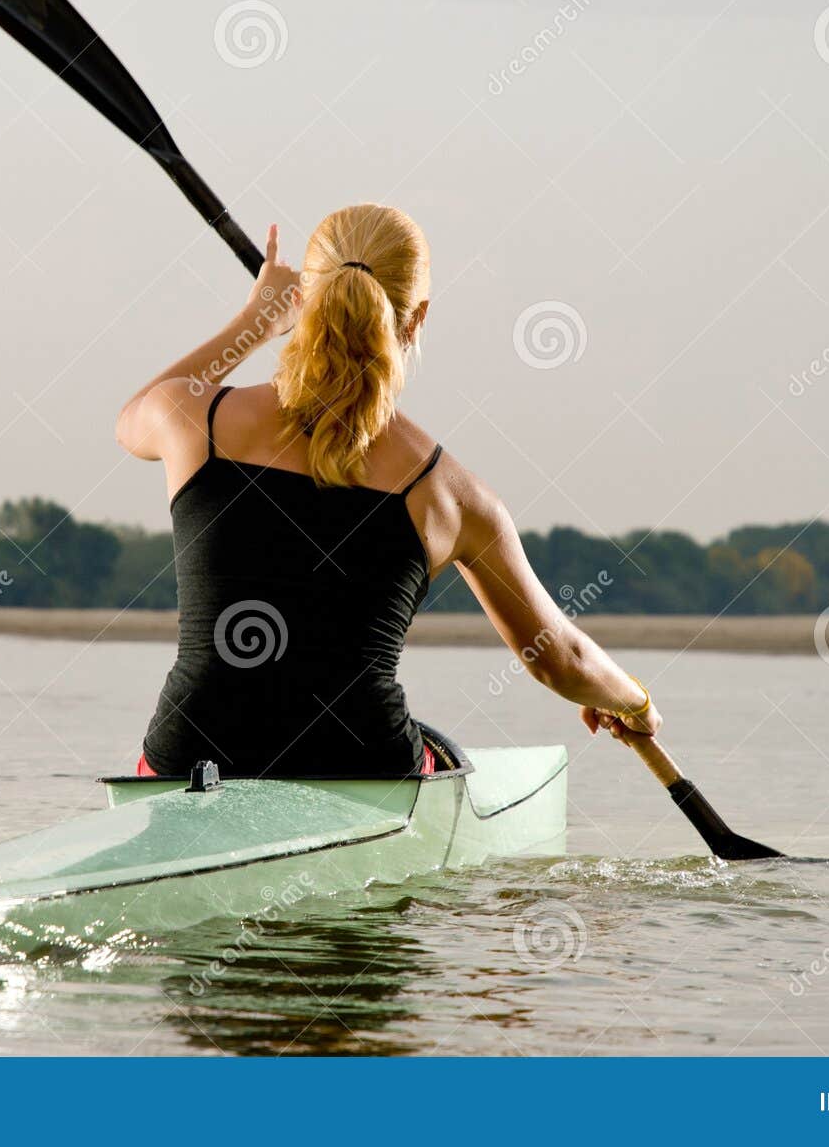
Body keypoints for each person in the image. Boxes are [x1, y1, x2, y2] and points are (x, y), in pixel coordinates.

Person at [117, 203, 662, 777]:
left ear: (303, 299)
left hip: (190, 755)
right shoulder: (452, 494)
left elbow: (132, 416)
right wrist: (634, 702)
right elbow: (561, 660)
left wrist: (256, 319)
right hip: (361, 763)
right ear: (417, 317)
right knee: (441, 750)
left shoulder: (190, 418)